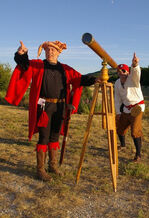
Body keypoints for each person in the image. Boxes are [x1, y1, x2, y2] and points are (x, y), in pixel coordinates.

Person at [5, 40, 97, 181]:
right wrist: (21, 54)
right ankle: (40, 170)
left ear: (59, 53)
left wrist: (96, 79)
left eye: (53, 50)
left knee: (54, 137)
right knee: (44, 137)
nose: (50, 52)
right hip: (44, 107)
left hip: (60, 107)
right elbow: (24, 65)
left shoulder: (65, 69)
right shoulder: (38, 65)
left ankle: (52, 166)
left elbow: (80, 79)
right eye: (47, 50)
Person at [114, 53, 145, 162]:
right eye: (119, 71)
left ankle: (138, 154)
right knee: (120, 128)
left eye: (123, 71)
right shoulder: (117, 83)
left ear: (127, 72)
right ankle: (122, 146)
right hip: (126, 108)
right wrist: (118, 112)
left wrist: (135, 64)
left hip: (137, 107)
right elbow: (117, 99)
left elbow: (136, 73)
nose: (121, 73)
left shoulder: (133, 79)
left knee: (135, 131)